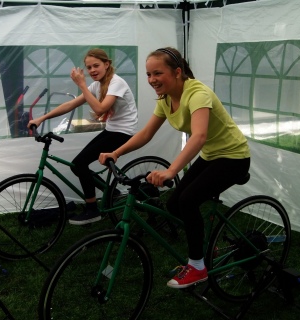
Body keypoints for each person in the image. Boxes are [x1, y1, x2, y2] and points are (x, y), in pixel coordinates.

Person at [99, 47, 250, 289]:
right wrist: (115, 153)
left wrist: (171, 172)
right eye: (148, 74)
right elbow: (147, 133)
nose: (151, 80)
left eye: (157, 73)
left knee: (188, 200)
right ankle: (203, 246)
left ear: (177, 72)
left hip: (233, 157)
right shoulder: (167, 98)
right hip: (212, 155)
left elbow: (199, 136)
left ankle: (198, 267)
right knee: (173, 203)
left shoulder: (197, 93)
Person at [28, 48, 138, 225]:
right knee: (77, 165)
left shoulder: (116, 82)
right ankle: (112, 193)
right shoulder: (97, 85)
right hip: (112, 130)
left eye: (96, 65)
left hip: (124, 132)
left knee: (79, 163)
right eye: (89, 67)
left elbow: (101, 109)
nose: (92, 70)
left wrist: (82, 85)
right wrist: (42, 118)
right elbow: (71, 104)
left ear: (107, 64)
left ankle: (92, 210)